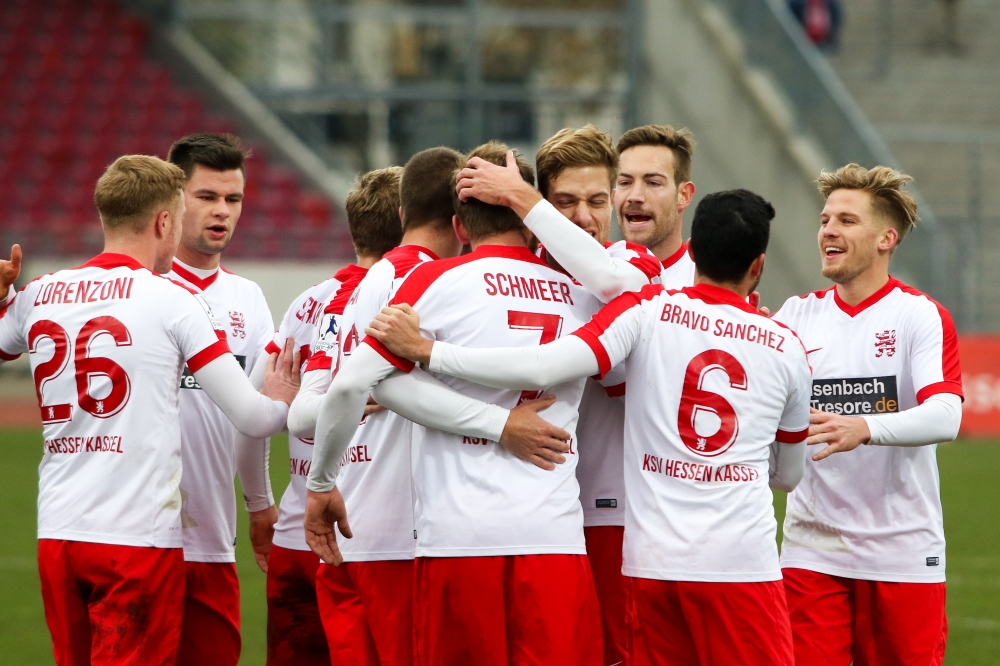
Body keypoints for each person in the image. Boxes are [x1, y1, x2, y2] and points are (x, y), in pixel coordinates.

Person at [367, 189, 812, 666]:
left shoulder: (646, 310)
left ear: (694, 252)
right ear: (758, 266)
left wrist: (431, 352)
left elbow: (542, 365)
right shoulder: (787, 346)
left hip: (652, 564)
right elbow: (787, 476)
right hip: (742, 564)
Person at [305, 142, 604, 665]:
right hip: (553, 536)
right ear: (531, 220)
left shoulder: (433, 281)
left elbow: (351, 388)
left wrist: (321, 484)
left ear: (460, 227)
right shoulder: (587, 295)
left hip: (457, 538)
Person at [0, 155, 299, 666]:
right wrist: (284, 398)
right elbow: (252, 419)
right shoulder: (170, 299)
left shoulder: (40, 292)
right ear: (164, 222)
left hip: (59, 532)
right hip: (135, 537)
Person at [772, 164, 963, 666]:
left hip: (902, 550)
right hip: (812, 550)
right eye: (825, 219)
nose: (828, 231)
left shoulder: (918, 315)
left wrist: (865, 428)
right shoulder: (795, 316)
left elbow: (946, 416)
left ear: (886, 239)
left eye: (847, 220)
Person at [265, 166, 403, 665]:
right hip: (371, 532)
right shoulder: (408, 298)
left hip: (296, 523)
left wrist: (259, 504)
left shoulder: (308, 302)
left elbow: (263, 407)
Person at [162, 133, 277, 666]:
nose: (222, 211)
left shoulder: (247, 299)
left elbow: (256, 411)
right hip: (138, 534)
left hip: (212, 535)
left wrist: (258, 503)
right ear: (173, 198)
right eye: (207, 196)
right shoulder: (143, 286)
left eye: (233, 199)